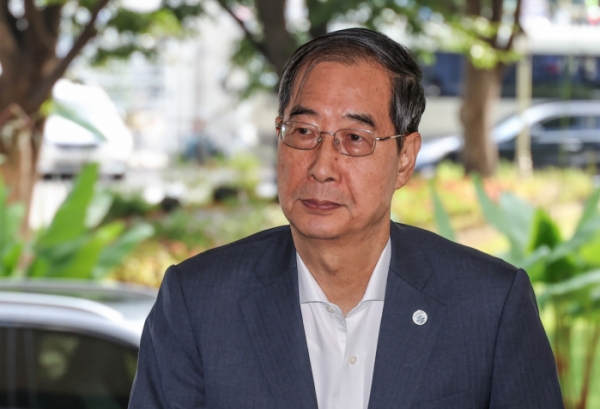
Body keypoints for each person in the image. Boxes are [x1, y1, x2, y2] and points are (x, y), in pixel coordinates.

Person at [129, 28, 563, 409]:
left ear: (406, 158)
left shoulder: (488, 306)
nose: (321, 166)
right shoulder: (198, 303)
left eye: (354, 138)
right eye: (303, 132)